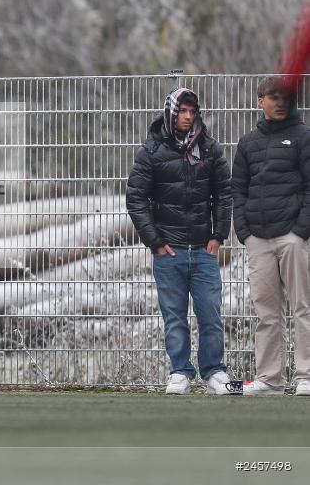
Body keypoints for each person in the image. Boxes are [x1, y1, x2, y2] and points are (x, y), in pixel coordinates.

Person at [127, 88, 233, 395]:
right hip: (168, 253)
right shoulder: (151, 151)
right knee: (174, 317)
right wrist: (155, 241)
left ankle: (215, 372)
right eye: (183, 111)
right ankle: (180, 372)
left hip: (204, 251)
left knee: (211, 314)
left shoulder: (210, 149)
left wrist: (218, 235)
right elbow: (136, 198)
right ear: (171, 113)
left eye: (192, 112)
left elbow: (224, 194)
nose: (188, 117)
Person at [232, 77, 310, 396]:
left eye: (285, 97)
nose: (280, 103)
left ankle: (306, 375)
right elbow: (237, 190)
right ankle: (270, 380)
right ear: (259, 100)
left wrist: (300, 231)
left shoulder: (304, 137)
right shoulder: (247, 143)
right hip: (258, 240)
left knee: (302, 307)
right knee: (266, 311)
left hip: (293, 237)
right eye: (272, 97)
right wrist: (245, 232)